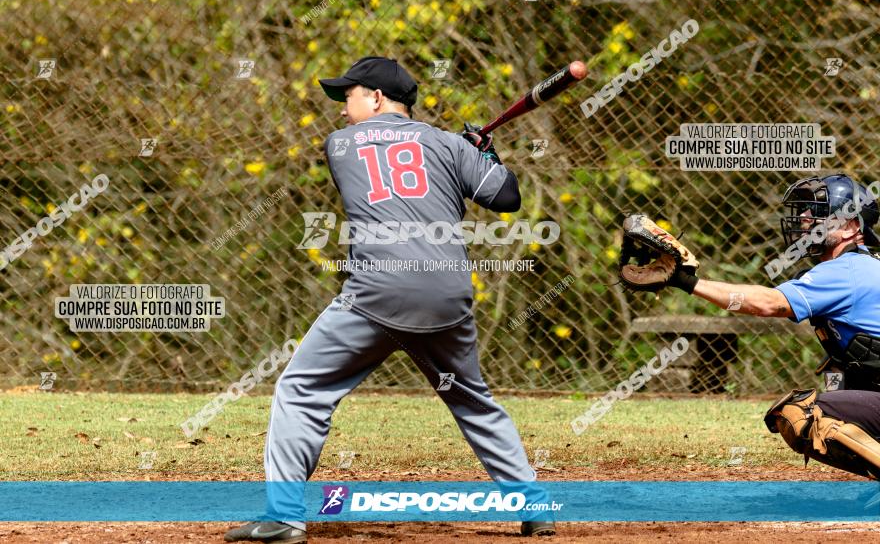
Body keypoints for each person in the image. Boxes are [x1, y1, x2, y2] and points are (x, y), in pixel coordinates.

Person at [224, 56, 554, 543]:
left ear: (376, 98)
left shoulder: (339, 145)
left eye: (349, 97)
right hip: (447, 294)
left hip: (376, 295)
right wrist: (484, 155)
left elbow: (389, 162)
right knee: (473, 402)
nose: (341, 110)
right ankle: (535, 507)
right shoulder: (446, 143)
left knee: (301, 390)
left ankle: (285, 516)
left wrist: (461, 151)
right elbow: (506, 199)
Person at [626, 174, 880, 479]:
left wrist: (686, 281)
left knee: (801, 413)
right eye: (805, 210)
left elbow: (767, 303)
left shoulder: (848, 270)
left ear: (852, 227)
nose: (804, 218)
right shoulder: (863, 265)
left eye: (819, 212)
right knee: (839, 380)